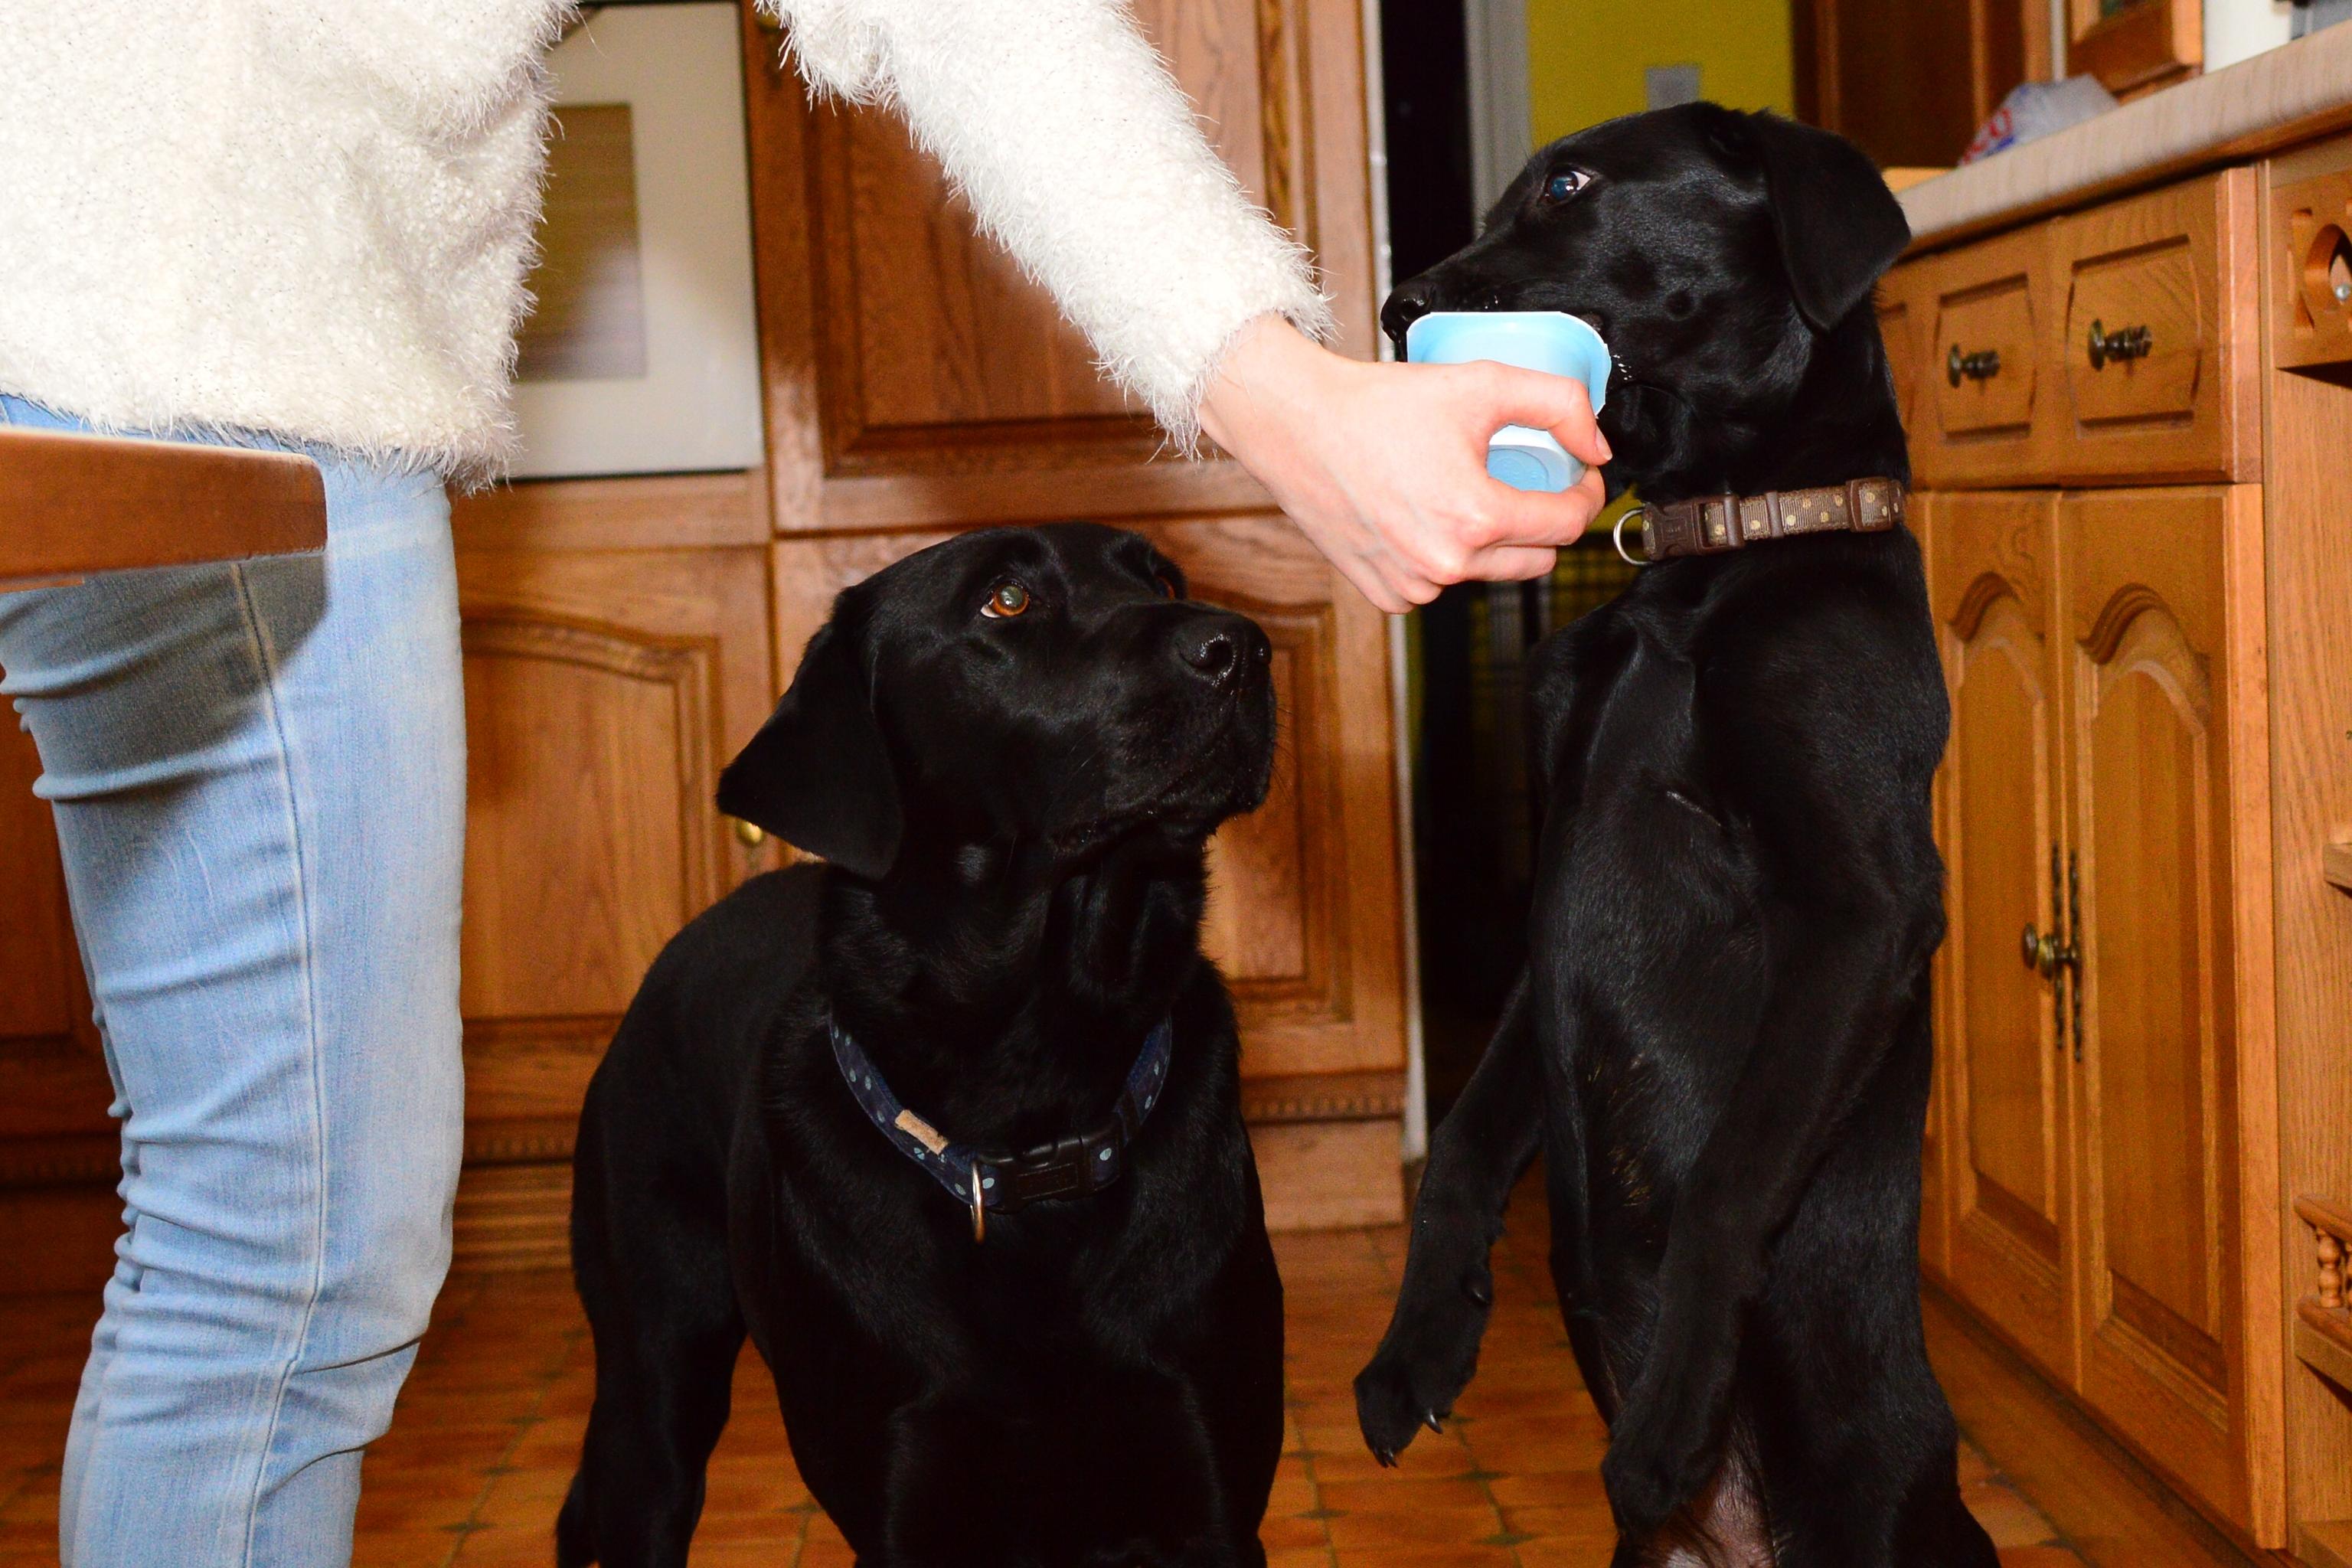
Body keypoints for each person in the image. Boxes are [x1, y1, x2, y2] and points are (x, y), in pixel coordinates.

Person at [0, 2, 1609, 1564]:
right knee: (280, 1271)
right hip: (195, 359)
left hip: (158, 333)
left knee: (268, 1261)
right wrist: (1293, 396)